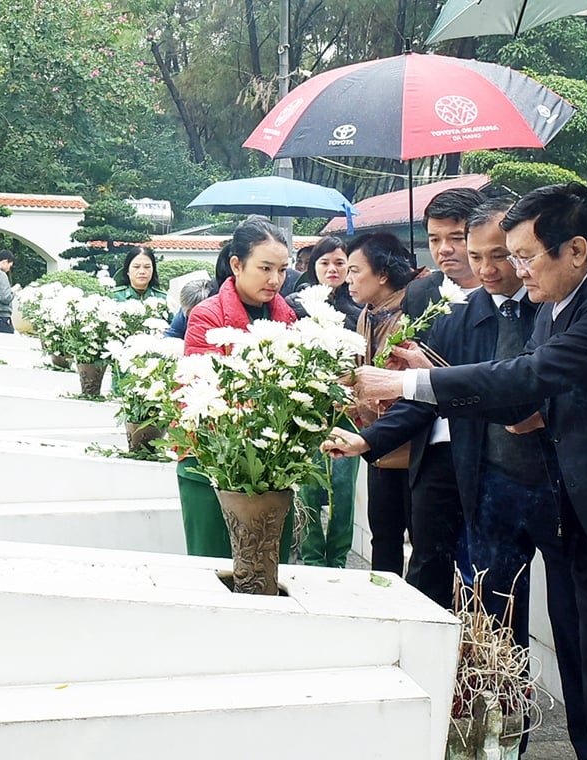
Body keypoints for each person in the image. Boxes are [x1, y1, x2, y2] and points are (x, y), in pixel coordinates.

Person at [333, 183, 587, 760]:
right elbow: (521, 402)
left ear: (575, 249)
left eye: (524, 256)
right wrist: (432, 370)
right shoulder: (556, 308)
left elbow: (529, 377)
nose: (516, 271)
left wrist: (406, 384)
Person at [329, 198, 587, 758]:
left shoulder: (559, 309)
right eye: (480, 256)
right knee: (493, 629)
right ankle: (500, 743)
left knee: (578, 628)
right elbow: (427, 400)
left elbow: (530, 387)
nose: (494, 268)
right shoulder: (460, 315)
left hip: (564, 493)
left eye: (504, 255)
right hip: (490, 489)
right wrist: (370, 439)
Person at [179, 217, 298, 559]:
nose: (275, 279)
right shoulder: (207, 315)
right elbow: (201, 387)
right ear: (236, 264)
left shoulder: (286, 317)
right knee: (214, 569)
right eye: (265, 268)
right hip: (213, 459)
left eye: (282, 270)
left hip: (273, 463)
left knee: (267, 569)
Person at [344, 232, 419, 579]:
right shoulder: (367, 314)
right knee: (384, 538)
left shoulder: (413, 313)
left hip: (413, 443)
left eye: (356, 271)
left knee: (421, 542)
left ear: (383, 274)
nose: (348, 279)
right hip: (377, 443)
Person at [284, 236, 361, 568]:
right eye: (324, 262)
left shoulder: (359, 310)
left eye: (340, 263)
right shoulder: (294, 306)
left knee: (343, 488)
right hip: (307, 408)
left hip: (347, 410)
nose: (332, 269)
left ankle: (339, 557)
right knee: (310, 485)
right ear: (311, 266)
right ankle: (312, 554)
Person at [403, 187, 487, 318]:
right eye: (435, 240)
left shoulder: (510, 290)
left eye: (456, 238)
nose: (444, 249)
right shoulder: (417, 294)